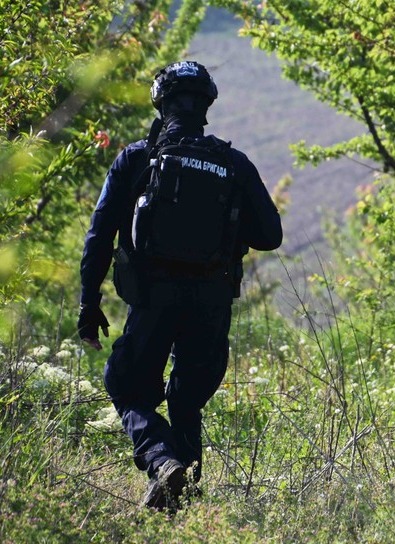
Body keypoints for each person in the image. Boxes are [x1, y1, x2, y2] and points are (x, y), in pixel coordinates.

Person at [77, 61, 282, 509]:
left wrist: (88, 304)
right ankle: (182, 499)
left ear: (160, 103)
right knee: (186, 401)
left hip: (152, 298)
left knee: (128, 388)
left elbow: (99, 235)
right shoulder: (234, 163)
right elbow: (271, 236)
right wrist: (224, 222)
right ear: (206, 105)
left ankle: (162, 462)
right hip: (212, 302)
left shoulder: (136, 159)